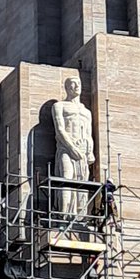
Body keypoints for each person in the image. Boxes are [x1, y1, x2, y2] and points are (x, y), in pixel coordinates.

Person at [51, 77, 95, 219]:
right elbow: (59, 130)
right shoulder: (59, 106)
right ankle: (63, 217)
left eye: (78, 84)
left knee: (82, 181)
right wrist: (71, 148)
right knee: (66, 178)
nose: (76, 86)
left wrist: (90, 152)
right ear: (66, 87)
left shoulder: (86, 112)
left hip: (83, 151)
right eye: (72, 84)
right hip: (66, 148)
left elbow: (88, 133)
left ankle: (80, 218)